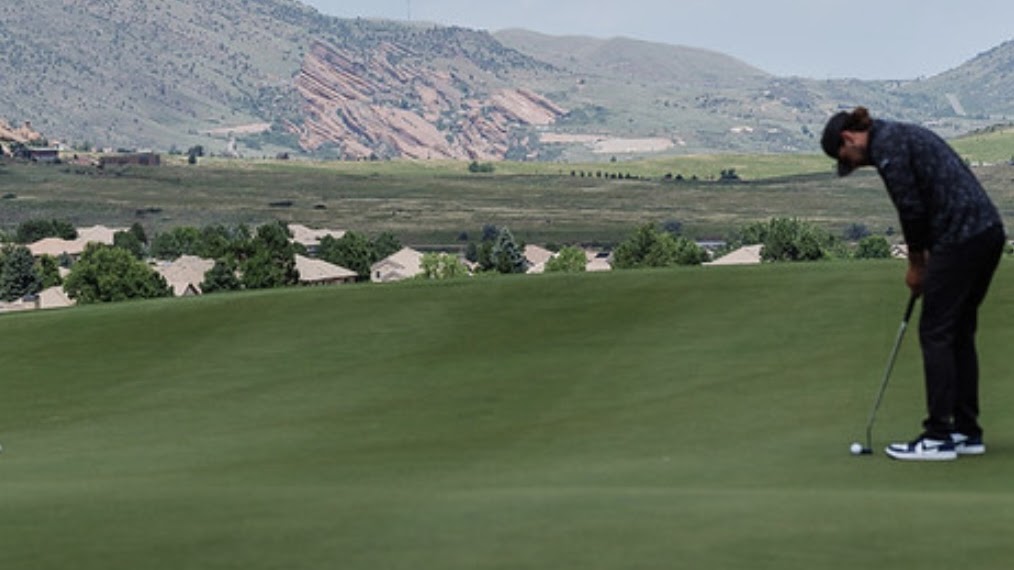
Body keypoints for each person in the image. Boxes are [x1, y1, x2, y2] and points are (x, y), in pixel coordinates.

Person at [822, 107, 1006, 461]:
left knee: (935, 332)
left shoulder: (887, 147)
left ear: (848, 138)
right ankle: (967, 432)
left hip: (961, 238)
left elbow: (912, 209)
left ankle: (937, 436)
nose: (854, 165)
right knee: (958, 331)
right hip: (986, 233)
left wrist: (917, 266)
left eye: (847, 159)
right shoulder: (898, 135)